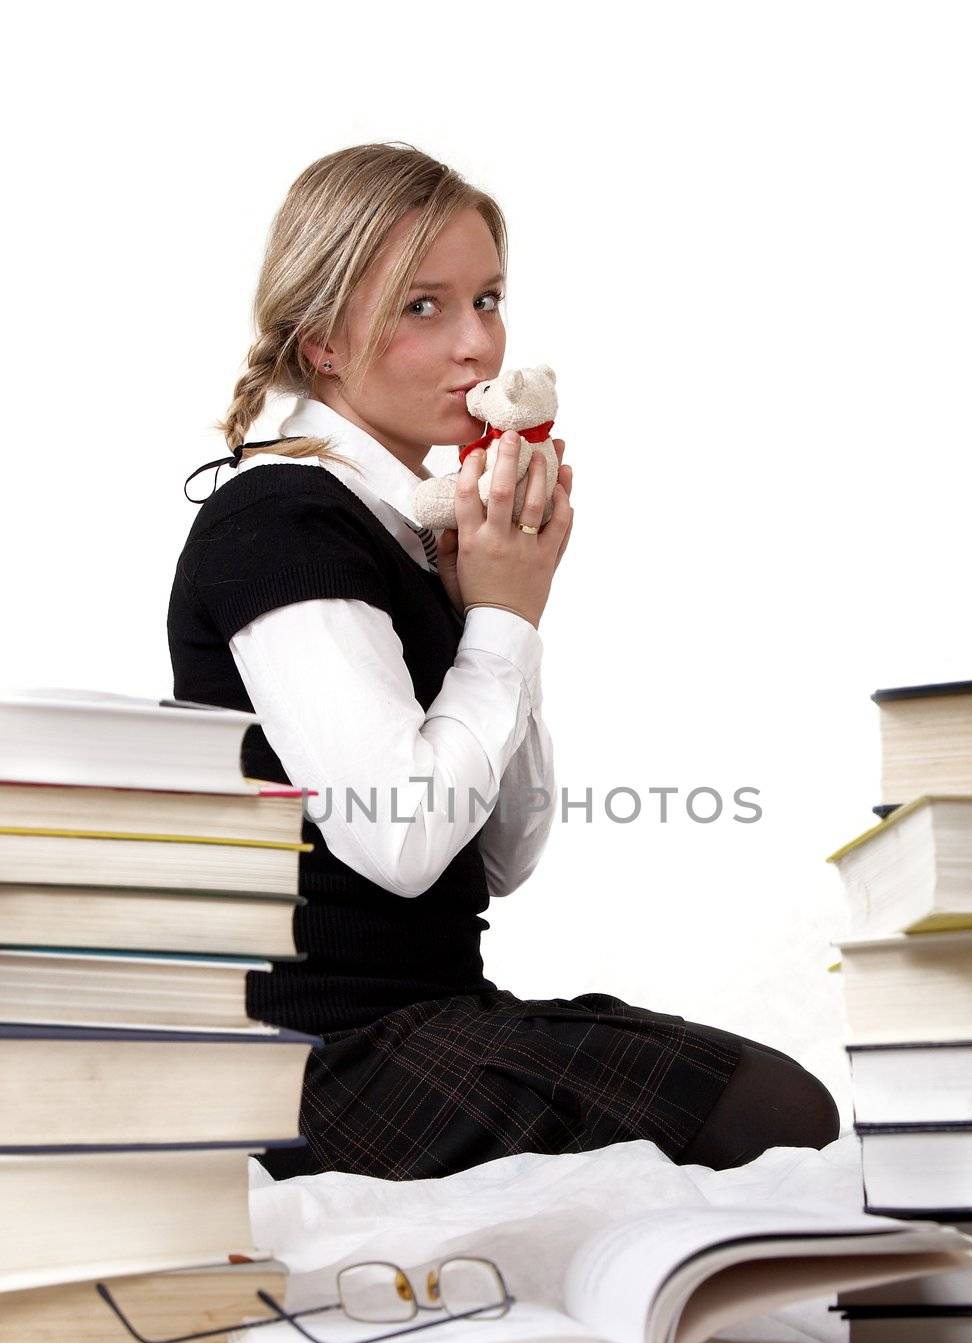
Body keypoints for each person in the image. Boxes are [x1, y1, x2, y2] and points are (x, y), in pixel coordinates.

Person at [167, 141, 840, 1182]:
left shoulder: (410, 528)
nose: (477, 344)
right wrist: (502, 621)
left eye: (488, 298)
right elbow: (402, 841)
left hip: (431, 1016)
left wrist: (503, 603)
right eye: (422, 307)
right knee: (764, 1115)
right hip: (313, 1061)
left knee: (782, 1101)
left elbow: (505, 856)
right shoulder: (282, 522)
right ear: (324, 343)